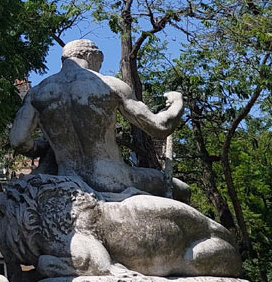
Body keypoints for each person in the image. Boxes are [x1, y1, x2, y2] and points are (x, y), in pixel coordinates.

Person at [10, 38, 186, 199]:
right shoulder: (110, 85)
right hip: (112, 179)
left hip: (67, 179)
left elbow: (19, 140)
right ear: (89, 55)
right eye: (99, 63)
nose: (99, 68)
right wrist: (177, 103)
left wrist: (43, 145)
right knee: (180, 189)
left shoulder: (37, 92)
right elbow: (161, 126)